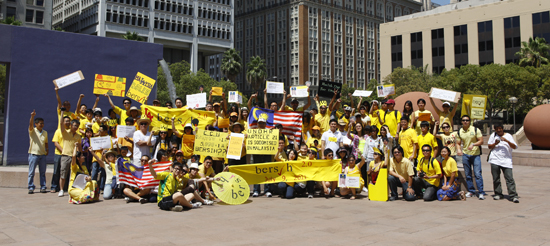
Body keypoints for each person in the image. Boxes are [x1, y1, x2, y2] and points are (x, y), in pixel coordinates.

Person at [488, 123, 519, 203]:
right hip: (495, 159)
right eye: (497, 129)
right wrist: (495, 143)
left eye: (500, 129)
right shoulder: (493, 135)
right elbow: (489, 146)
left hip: (506, 161)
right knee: (496, 178)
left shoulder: (508, 136)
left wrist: (506, 141)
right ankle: (498, 193)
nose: (498, 130)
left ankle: (513, 195)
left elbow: (514, 146)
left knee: (509, 178)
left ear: (502, 128)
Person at [456, 115, 485, 200]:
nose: (465, 121)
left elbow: (481, 141)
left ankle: (480, 192)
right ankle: (471, 190)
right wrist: (458, 150)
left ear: (469, 121)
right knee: (468, 174)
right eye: (464, 120)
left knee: (477, 174)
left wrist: (473, 144)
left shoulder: (475, 130)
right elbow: (458, 143)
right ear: (461, 121)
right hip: (465, 154)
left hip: (475, 155)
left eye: (467, 120)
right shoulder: (460, 131)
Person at [58, 108, 82, 197]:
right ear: (71, 125)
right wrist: (62, 112)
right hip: (65, 156)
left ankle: (70, 190)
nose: (76, 127)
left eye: (77, 126)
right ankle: (61, 190)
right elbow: (61, 123)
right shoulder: (65, 132)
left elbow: (80, 148)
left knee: (73, 175)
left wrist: (78, 149)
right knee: (63, 173)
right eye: (75, 125)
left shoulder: (79, 136)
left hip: (74, 157)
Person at [252, 114, 275, 197]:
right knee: (257, 172)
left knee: (267, 172)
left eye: (263, 123)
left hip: (267, 154)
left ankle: (267, 190)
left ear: (265, 124)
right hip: (257, 154)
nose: (261, 124)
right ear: (257, 124)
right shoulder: (253, 132)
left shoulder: (270, 132)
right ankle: (256, 190)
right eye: (260, 123)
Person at [28, 110, 48, 194]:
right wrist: (32, 116)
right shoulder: (33, 131)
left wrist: (47, 149)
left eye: (43, 123)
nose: (42, 125)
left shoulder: (45, 132)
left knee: (42, 172)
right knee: (31, 172)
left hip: (42, 155)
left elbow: (46, 142)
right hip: (34, 155)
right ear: (36, 124)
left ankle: (43, 187)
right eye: (40, 123)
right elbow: (30, 125)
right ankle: (31, 187)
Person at [51, 116, 71, 193]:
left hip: (68, 155)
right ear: (62, 122)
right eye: (66, 121)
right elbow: (56, 143)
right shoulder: (58, 131)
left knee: (66, 171)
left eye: (69, 121)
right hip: (59, 154)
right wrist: (63, 151)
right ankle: (54, 187)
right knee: (56, 171)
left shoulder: (71, 131)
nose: (67, 122)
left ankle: (64, 188)